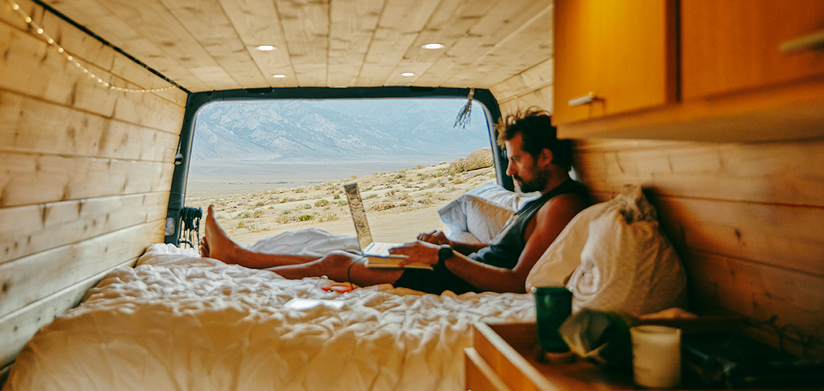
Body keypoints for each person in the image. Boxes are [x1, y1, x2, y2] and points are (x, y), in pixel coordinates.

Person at [200, 107, 589, 294]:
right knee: (344, 254)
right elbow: (503, 253)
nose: (510, 171)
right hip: (458, 265)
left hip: (454, 277)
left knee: (337, 261)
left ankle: (238, 263)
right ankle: (238, 257)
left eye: (516, 159)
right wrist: (450, 244)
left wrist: (440, 258)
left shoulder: (562, 206)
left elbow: (517, 280)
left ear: (546, 157)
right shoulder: (545, 201)